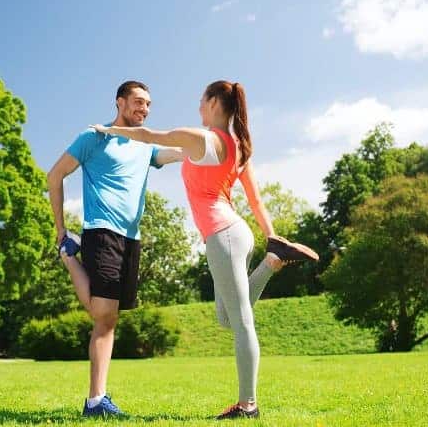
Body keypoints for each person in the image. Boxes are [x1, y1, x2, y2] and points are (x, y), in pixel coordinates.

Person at [91, 80, 319, 420]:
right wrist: (272, 237)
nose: (198, 106)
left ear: (214, 102)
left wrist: (105, 129)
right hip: (234, 234)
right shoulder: (239, 146)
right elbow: (254, 200)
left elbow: (150, 135)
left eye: (201, 100)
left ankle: (248, 405)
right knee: (226, 318)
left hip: (223, 234)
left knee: (242, 322)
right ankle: (272, 261)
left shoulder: (200, 138)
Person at [47, 80, 183, 417]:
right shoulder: (94, 137)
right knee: (103, 314)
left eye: (148, 104)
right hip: (102, 231)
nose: (144, 109)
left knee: (108, 318)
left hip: (131, 238)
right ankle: (95, 400)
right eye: (138, 102)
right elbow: (55, 176)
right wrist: (60, 228)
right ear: (120, 102)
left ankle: (68, 256)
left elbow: (172, 153)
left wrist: (204, 145)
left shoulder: (145, 143)